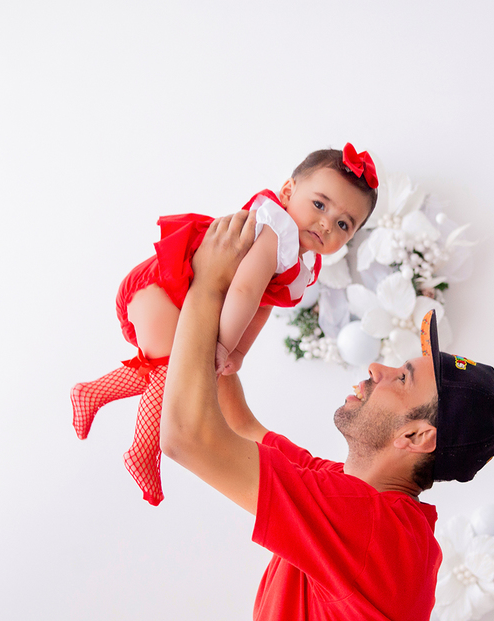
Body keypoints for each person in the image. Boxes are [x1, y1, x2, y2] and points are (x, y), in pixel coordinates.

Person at [160, 210, 494, 621]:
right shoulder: (361, 508)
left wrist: (208, 286)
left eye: (401, 377)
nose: (374, 367)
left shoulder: (371, 530)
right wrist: (250, 291)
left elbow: (187, 436)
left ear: (417, 437)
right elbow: (237, 423)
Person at [70, 144, 380, 505]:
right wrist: (221, 345)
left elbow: (263, 305)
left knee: (163, 370)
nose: (327, 223)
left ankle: (90, 394)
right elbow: (246, 289)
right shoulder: (274, 230)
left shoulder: (302, 262)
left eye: (343, 224)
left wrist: (239, 351)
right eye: (319, 204)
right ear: (287, 192)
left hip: (180, 301)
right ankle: (143, 449)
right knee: (174, 371)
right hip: (165, 287)